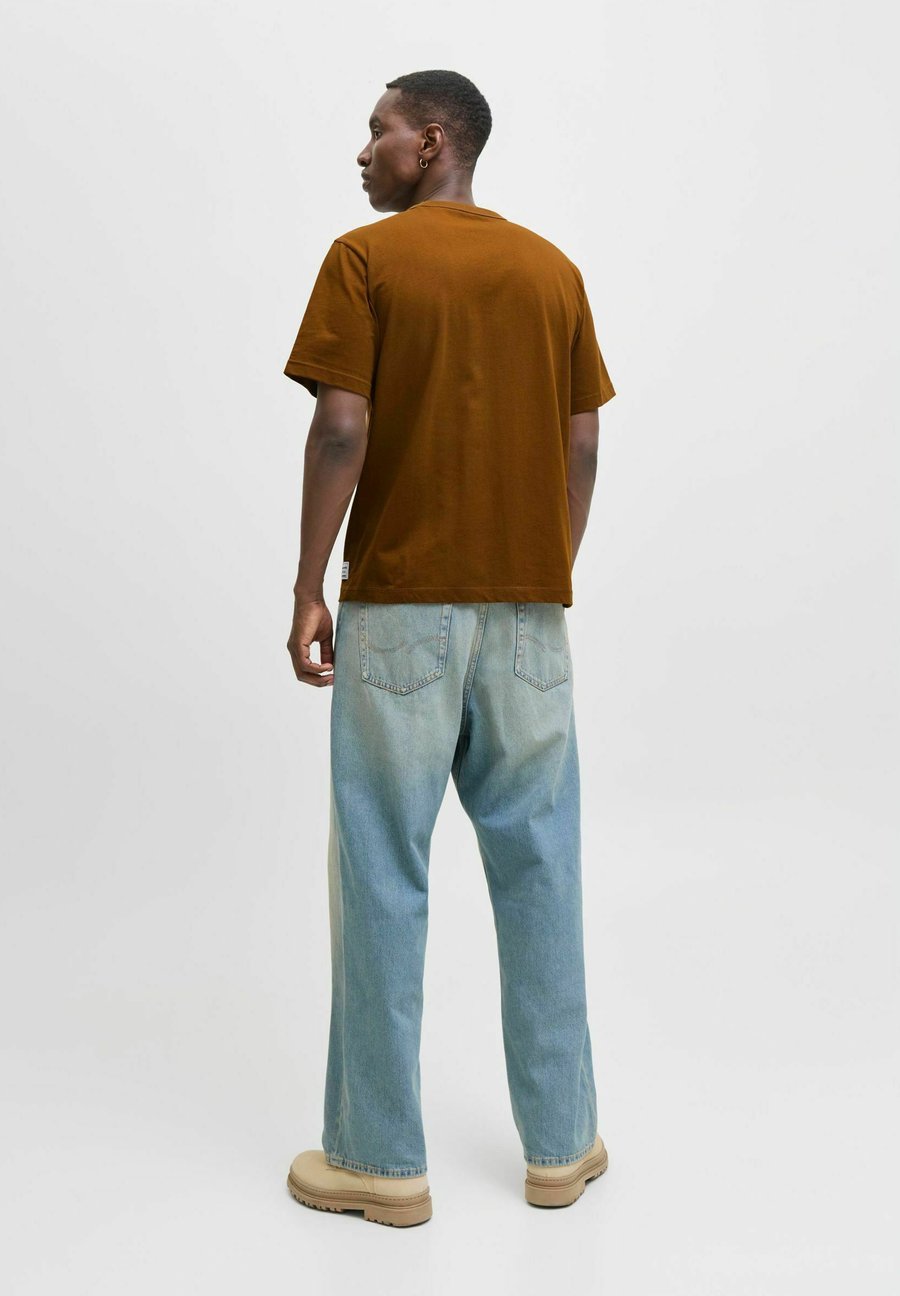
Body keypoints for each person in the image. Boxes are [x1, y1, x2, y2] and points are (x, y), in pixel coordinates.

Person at [283, 69, 616, 1228]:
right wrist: (544, 567)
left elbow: (341, 426)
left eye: (377, 131)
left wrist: (308, 585)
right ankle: (562, 1147)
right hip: (531, 618)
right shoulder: (551, 271)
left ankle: (379, 1161)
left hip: (400, 614)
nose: (362, 152)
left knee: (383, 871)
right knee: (543, 867)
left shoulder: (365, 261)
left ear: (431, 142)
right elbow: (582, 444)